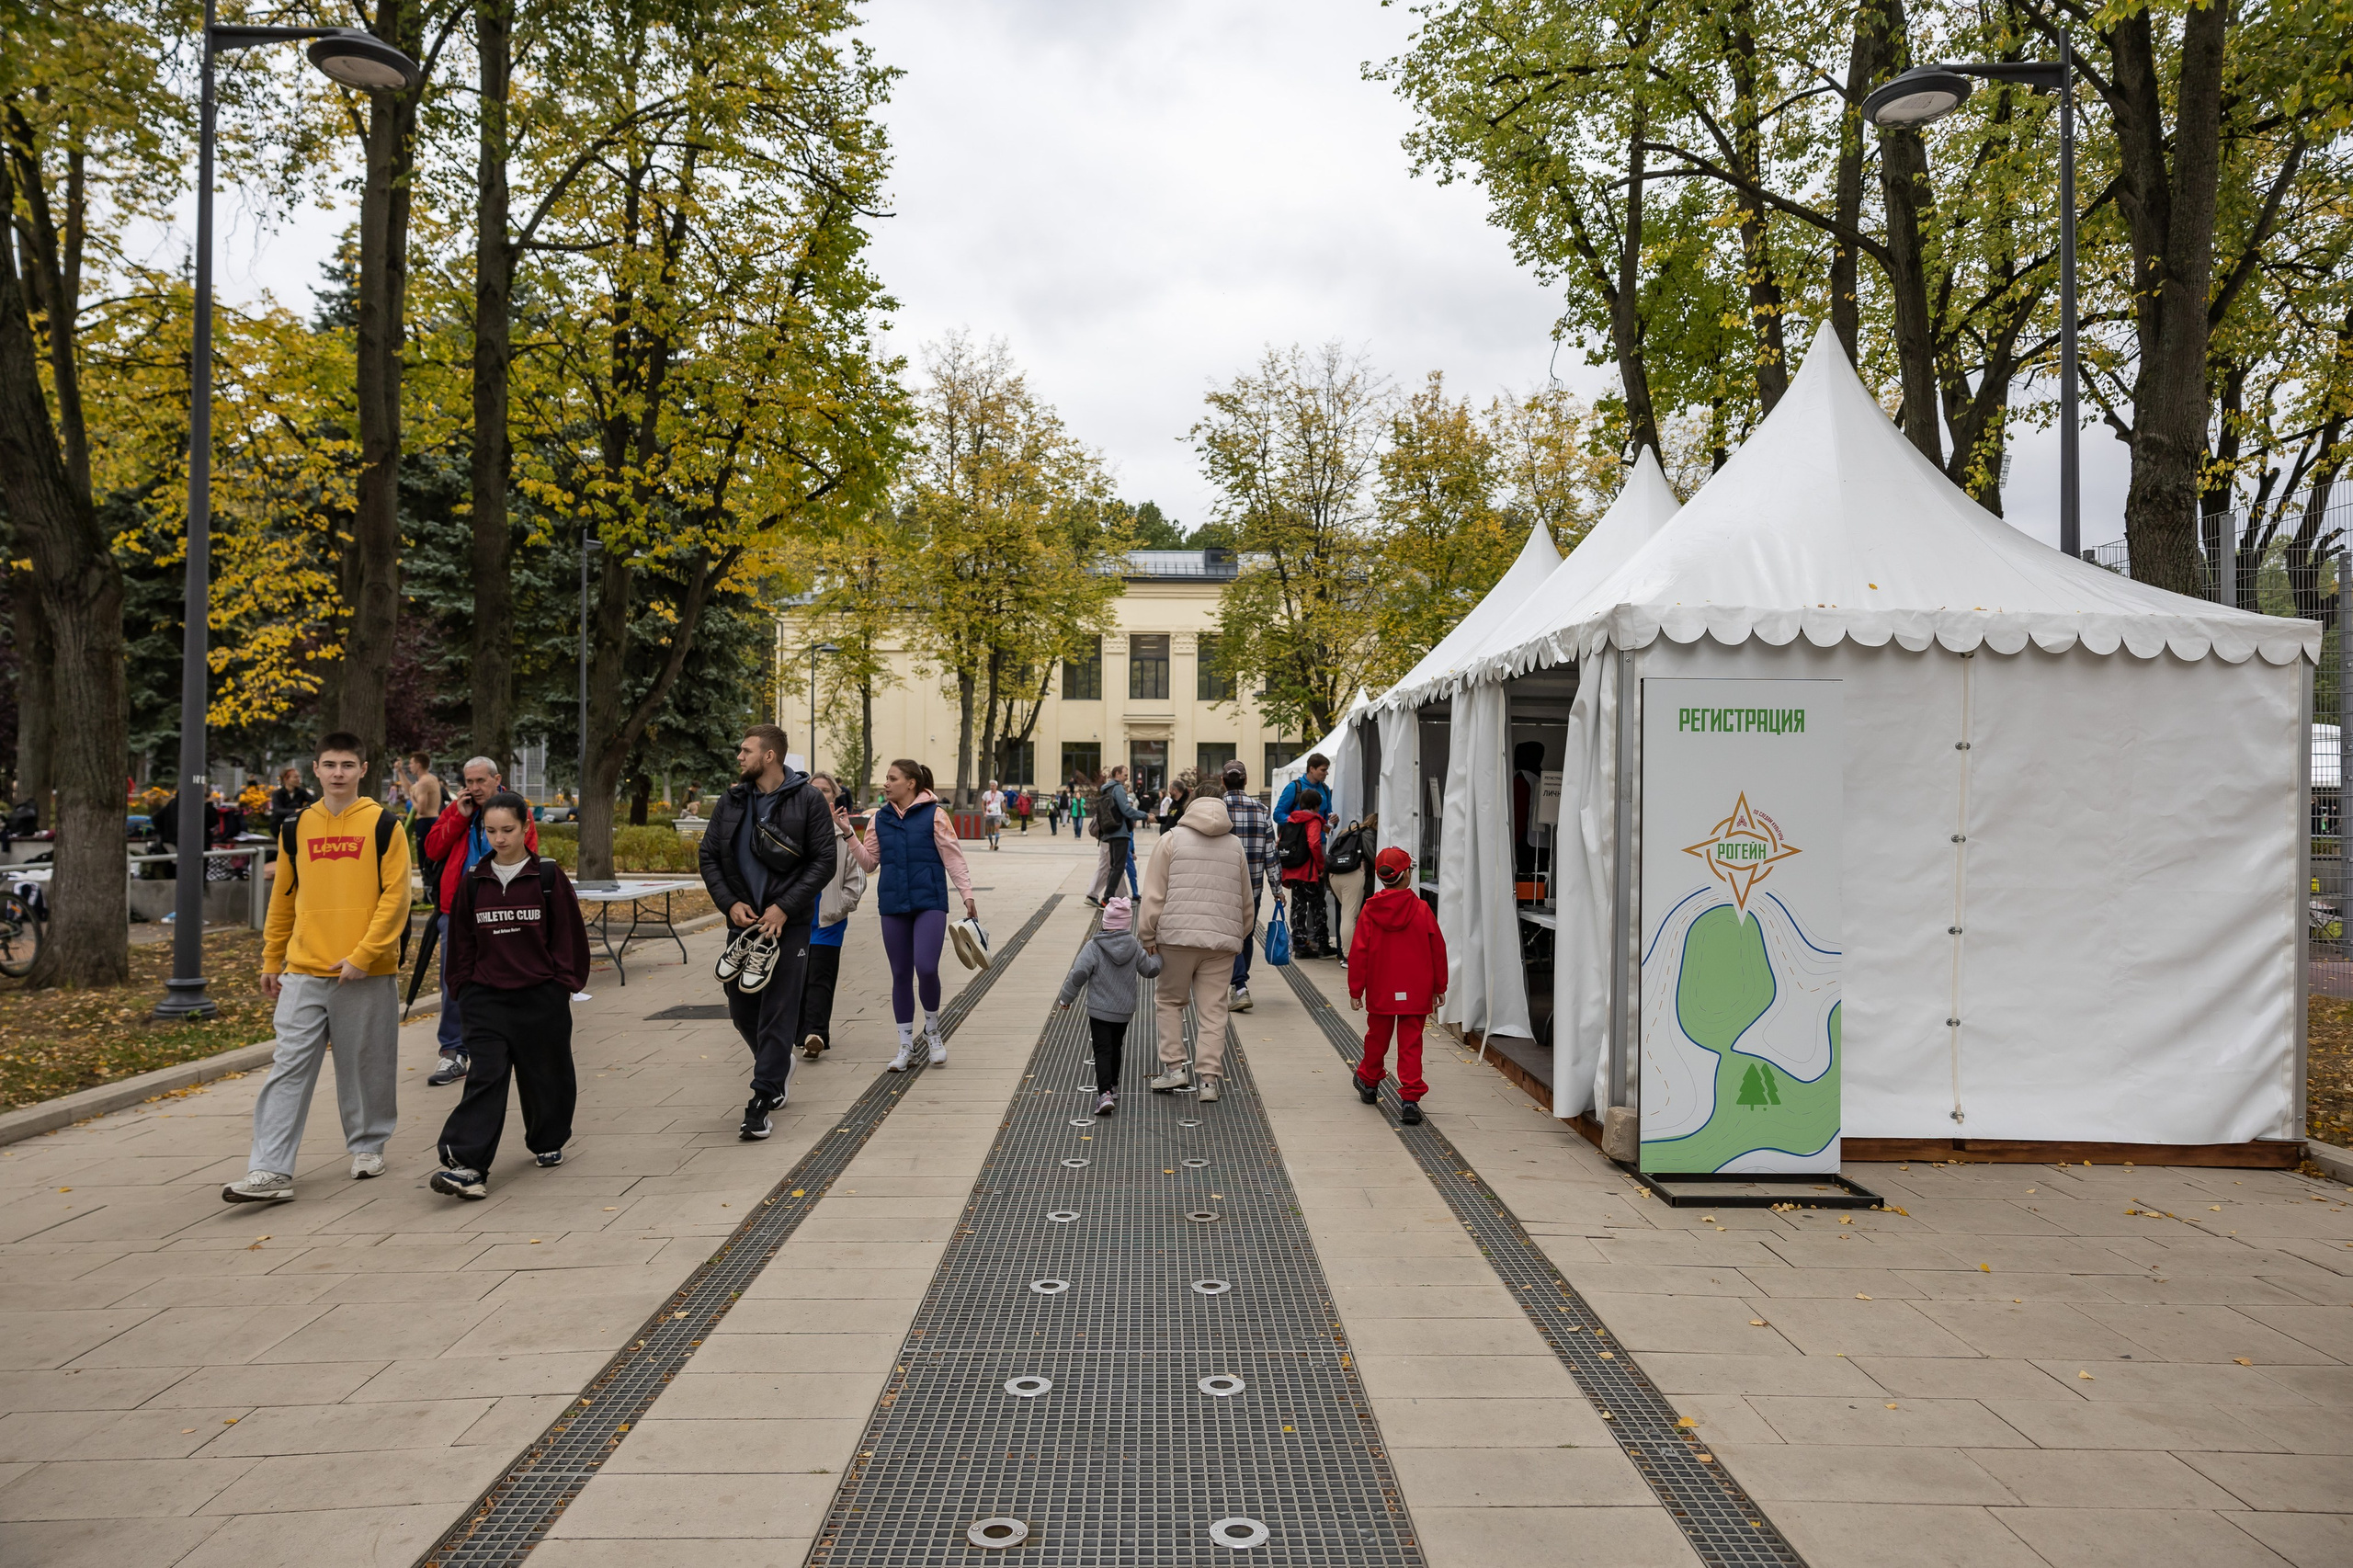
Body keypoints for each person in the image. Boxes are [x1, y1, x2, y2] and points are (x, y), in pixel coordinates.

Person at [222, 733, 413, 1202]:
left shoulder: (384, 825)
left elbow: (397, 897)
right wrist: (273, 957)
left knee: (366, 1065)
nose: (338, 773)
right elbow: (284, 897)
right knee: (288, 1067)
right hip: (304, 968)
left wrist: (364, 955)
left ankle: (369, 1144)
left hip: (365, 970)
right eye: (330, 765)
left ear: (363, 770)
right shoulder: (296, 827)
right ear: (315, 769)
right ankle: (269, 1170)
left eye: (348, 765)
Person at [428, 790, 590, 1199]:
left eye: (508, 830)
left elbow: (569, 938)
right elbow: (461, 944)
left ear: (526, 827)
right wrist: (463, 988)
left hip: (540, 998)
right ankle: (467, 1165)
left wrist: (561, 986)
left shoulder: (548, 877)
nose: (499, 838)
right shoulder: (473, 881)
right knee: (486, 1078)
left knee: (545, 1077)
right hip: (485, 1001)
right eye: (491, 830)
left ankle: (548, 1138)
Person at [699, 724, 837, 1139]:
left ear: (770, 756)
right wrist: (730, 903)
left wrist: (783, 908)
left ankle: (762, 1099)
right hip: (743, 925)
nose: (739, 757)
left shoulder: (808, 800)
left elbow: (823, 862)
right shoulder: (732, 800)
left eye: (746, 751)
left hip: (788, 926)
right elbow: (709, 856)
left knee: (779, 1009)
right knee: (741, 1005)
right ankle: (776, 1064)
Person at [847, 759, 977, 1072]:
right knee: (901, 974)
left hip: (929, 902)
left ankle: (932, 1031)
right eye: (886, 779)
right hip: (893, 905)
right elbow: (869, 863)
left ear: (911, 783)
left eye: (892, 779)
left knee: (927, 967)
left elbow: (953, 858)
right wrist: (847, 834)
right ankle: (905, 1045)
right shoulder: (879, 818)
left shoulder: (935, 815)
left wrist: (967, 894)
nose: (886, 784)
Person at [423, 758, 542, 1087]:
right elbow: (432, 849)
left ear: (496, 779)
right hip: (456, 911)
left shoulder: (516, 810)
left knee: (509, 973)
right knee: (454, 980)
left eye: (480, 781)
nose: (474, 788)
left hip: (503, 909)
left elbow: (526, 856)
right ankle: (453, 1052)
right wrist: (459, 819)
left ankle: (510, 1043)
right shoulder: (457, 810)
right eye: (468, 781)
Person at [1136, 789, 1253, 1103]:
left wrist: (1147, 934)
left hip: (1176, 938)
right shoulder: (1234, 845)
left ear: (1190, 805)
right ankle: (1209, 1080)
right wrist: (1240, 934)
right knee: (1213, 1010)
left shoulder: (1171, 839)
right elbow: (1245, 897)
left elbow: (1153, 893)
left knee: (1170, 1002)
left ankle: (1175, 1068)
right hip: (1222, 941)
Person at [1348, 846, 1447, 1125]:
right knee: (1411, 1044)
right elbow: (1437, 949)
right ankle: (1410, 1099)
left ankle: (1369, 1081)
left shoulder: (1370, 909)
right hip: (1416, 989)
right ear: (1406, 875)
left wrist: (1356, 990)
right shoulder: (1422, 909)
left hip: (1381, 986)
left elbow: (1359, 952)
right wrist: (1440, 986)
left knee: (1377, 1037)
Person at [1056, 894, 1163, 1118]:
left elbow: (1079, 975)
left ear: (1105, 922)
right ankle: (1113, 1086)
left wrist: (1066, 998)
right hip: (1124, 1010)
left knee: (1102, 1049)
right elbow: (1149, 971)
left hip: (1099, 1010)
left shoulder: (1094, 946)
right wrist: (1160, 957)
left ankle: (1103, 1093)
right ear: (1127, 924)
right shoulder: (1134, 946)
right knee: (1116, 1047)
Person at [798, 772, 867, 1061]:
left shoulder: (842, 835)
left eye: (826, 791)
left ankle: (816, 1034)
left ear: (834, 797)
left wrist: (841, 907)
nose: (820, 794)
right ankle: (798, 1032)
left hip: (828, 921)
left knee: (820, 979)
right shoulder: (794, 830)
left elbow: (858, 879)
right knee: (797, 980)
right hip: (795, 921)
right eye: (814, 790)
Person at [1219, 760, 1276, 1014]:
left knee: (1226, 935)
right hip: (1252, 888)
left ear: (1222, 781)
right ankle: (1239, 983)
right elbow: (1271, 854)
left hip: (1222, 886)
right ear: (1246, 781)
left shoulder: (1216, 809)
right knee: (1245, 935)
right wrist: (1277, 888)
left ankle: (1239, 985)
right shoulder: (1262, 810)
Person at [1279, 784, 1332, 959]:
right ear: (1316, 806)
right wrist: (1321, 866)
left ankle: (1300, 945)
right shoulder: (1313, 821)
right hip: (1308, 872)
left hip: (1293, 871)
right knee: (1317, 907)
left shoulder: (1291, 820)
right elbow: (1315, 844)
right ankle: (1322, 944)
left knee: (1298, 908)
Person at [1090, 765, 1143, 905]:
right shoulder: (1118, 788)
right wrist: (1144, 816)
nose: (1127, 778)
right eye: (1125, 775)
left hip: (1110, 832)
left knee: (1113, 867)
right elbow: (1125, 810)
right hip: (1120, 832)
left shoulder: (1106, 788)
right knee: (1118, 867)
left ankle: (1109, 898)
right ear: (1117, 774)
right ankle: (1107, 899)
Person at [1273, 752, 1336, 828]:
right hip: (1297, 839)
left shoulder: (1326, 789)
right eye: (1323, 770)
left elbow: (1326, 823)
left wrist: (1333, 822)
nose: (1326, 773)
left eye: (1326, 770)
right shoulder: (1294, 787)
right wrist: (1297, 821)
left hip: (1319, 839)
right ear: (1311, 769)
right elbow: (1277, 815)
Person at [267, 767, 312, 834]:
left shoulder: (301, 791)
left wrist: (305, 809)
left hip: (296, 824)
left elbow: (313, 801)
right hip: (279, 825)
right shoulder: (277, 794)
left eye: (299, 777)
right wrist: (295, 811)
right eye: (295, 777)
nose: (298, 779)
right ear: (285, 779)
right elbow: (277, 810)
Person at [982, 780, 1005, 850]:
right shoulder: (986, 794)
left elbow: (1002, 804)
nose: (992, 787)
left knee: (997, 828)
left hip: (997, 814)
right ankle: (991, 843)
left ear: (996, 786)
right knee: (989, 829)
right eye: (991, 786)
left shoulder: (1000, 794)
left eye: (993, 786)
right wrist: (984, 813)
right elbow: (983, 803)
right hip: (989, 814)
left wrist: (1005, 812)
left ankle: (996, 844)